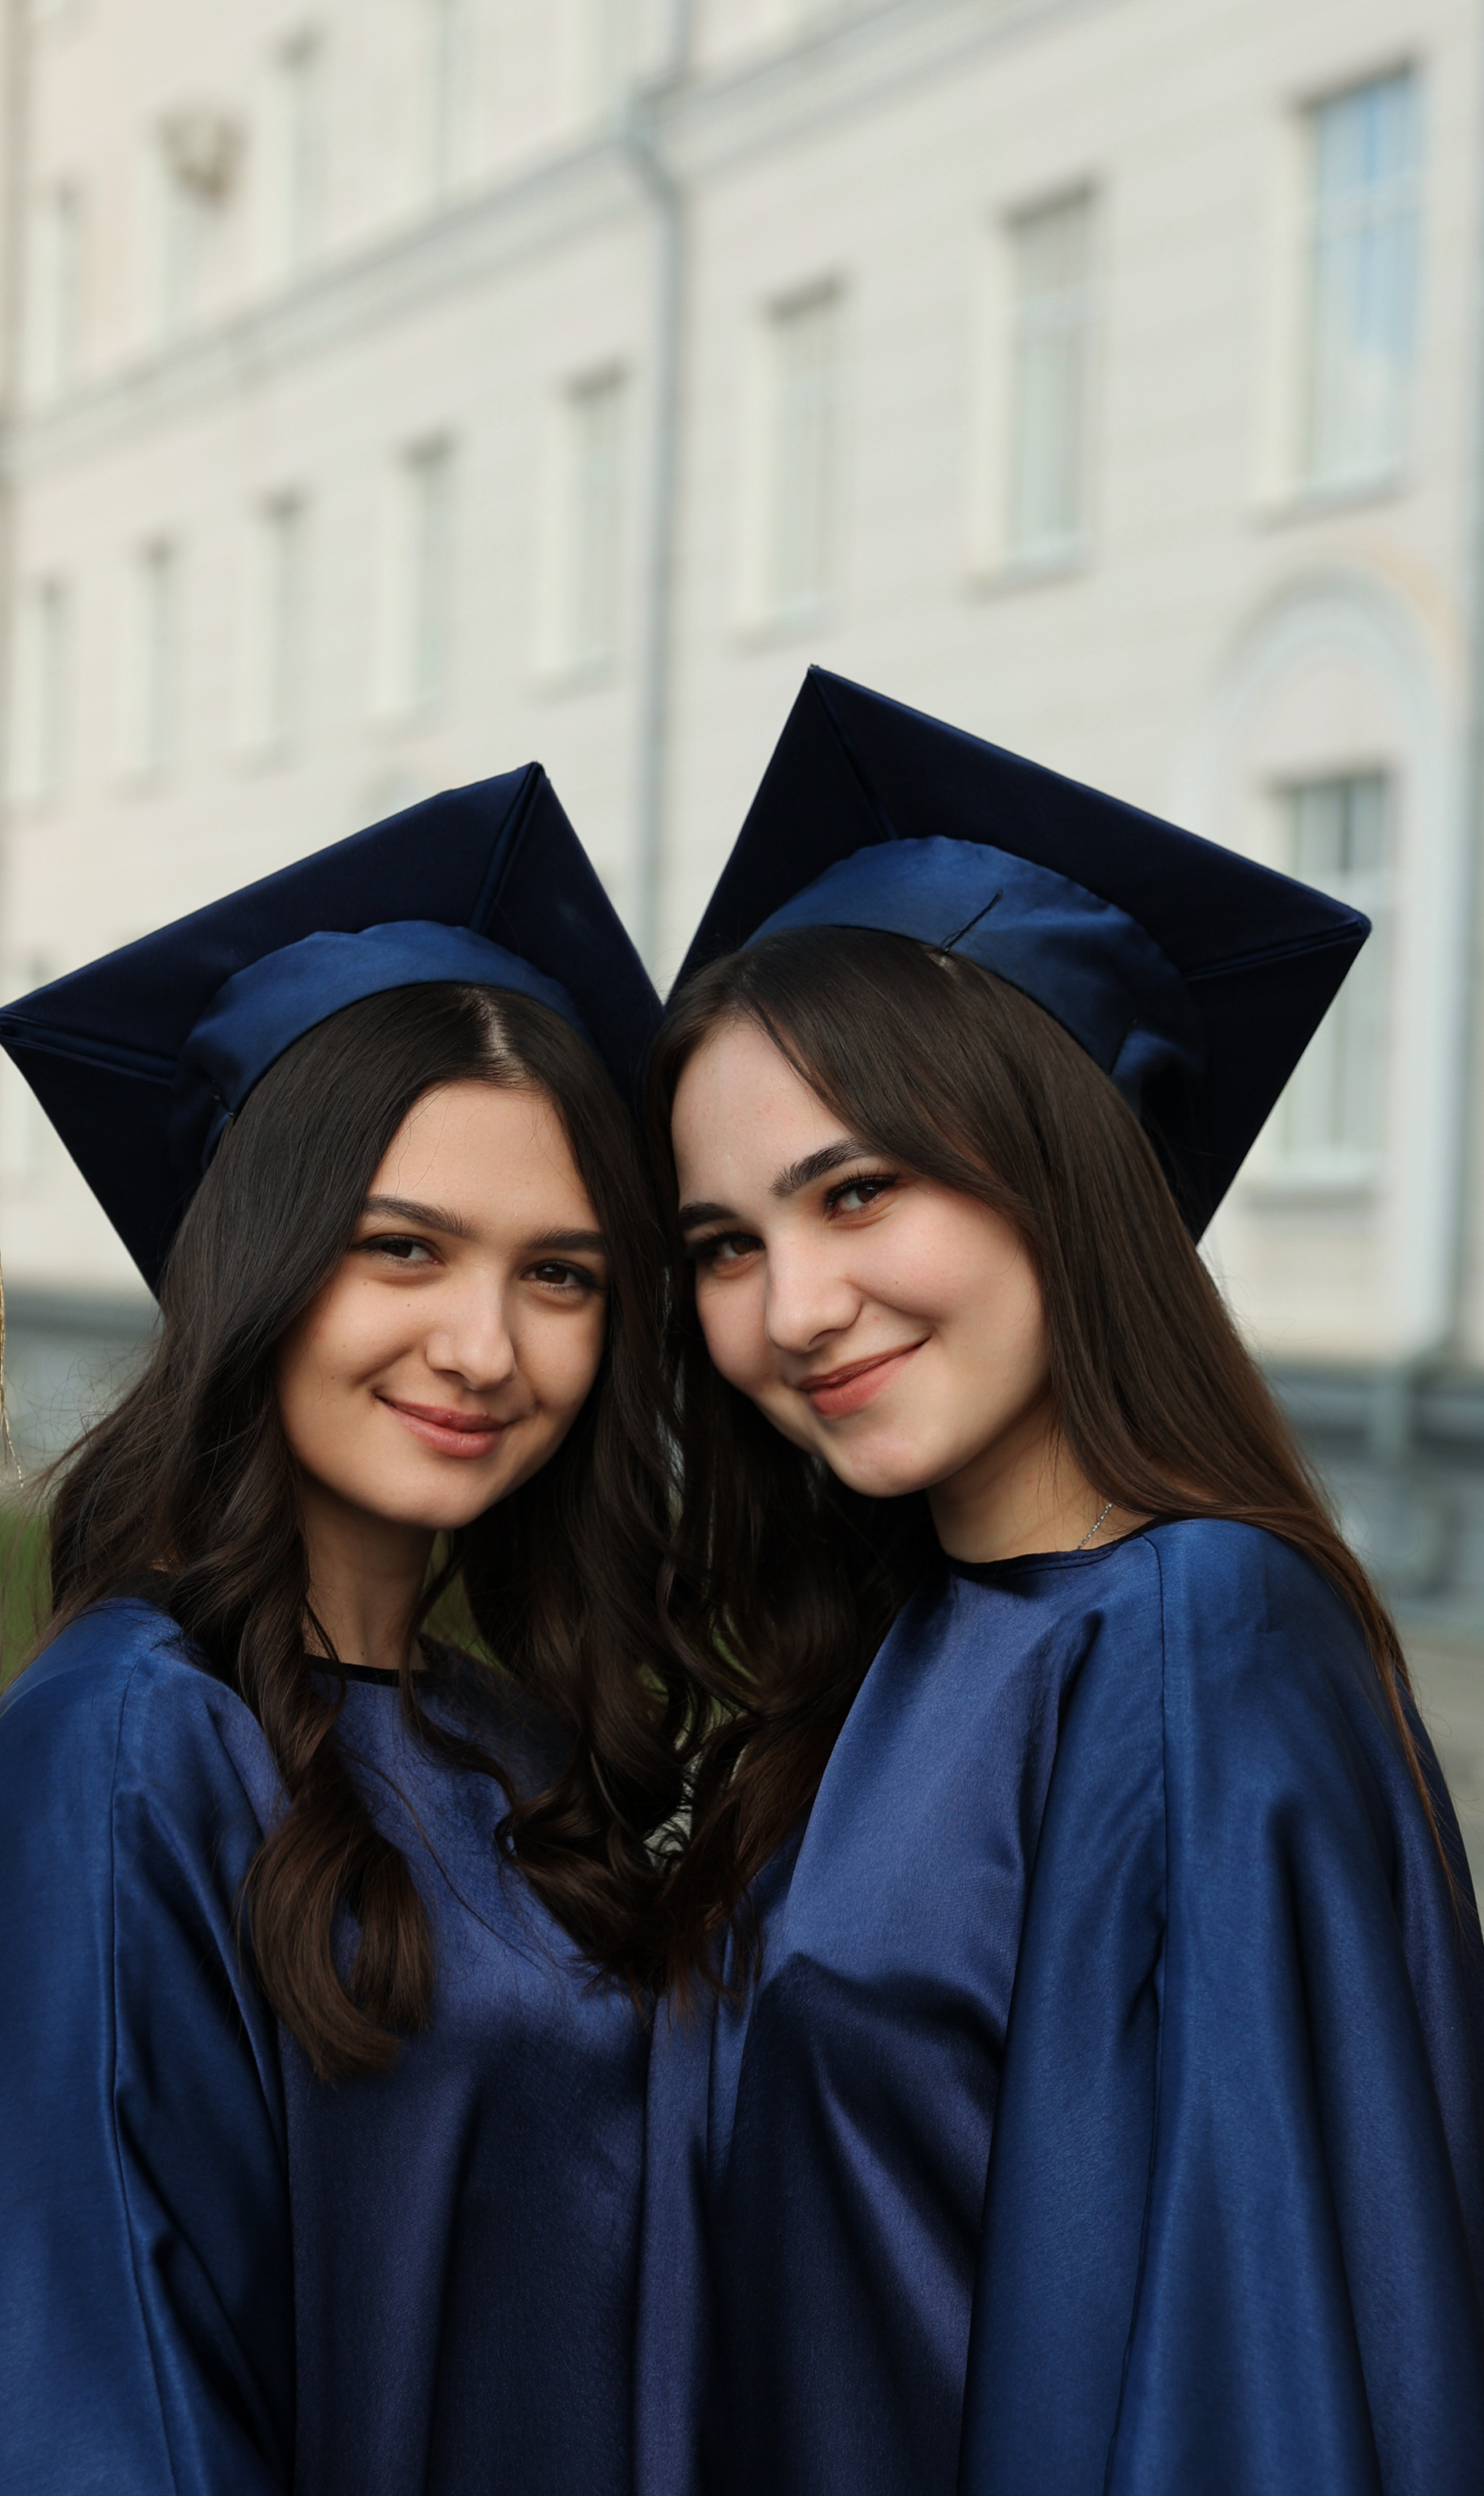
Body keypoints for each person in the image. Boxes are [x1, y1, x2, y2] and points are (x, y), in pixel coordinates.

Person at [643, 671, 1484, 2496]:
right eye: (725, 1243)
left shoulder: (1193, 1647)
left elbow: (1233, 2379)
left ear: (1057, 1169)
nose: (790, 1309)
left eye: (856, 1191)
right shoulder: (900, 1641)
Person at [0, 767, 701, 2496]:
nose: (483, 1346)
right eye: (402, 1248)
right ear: (261, 1263)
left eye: (561, 1273)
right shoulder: (135, 1747)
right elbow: (64, 2398)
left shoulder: (512, 1748)